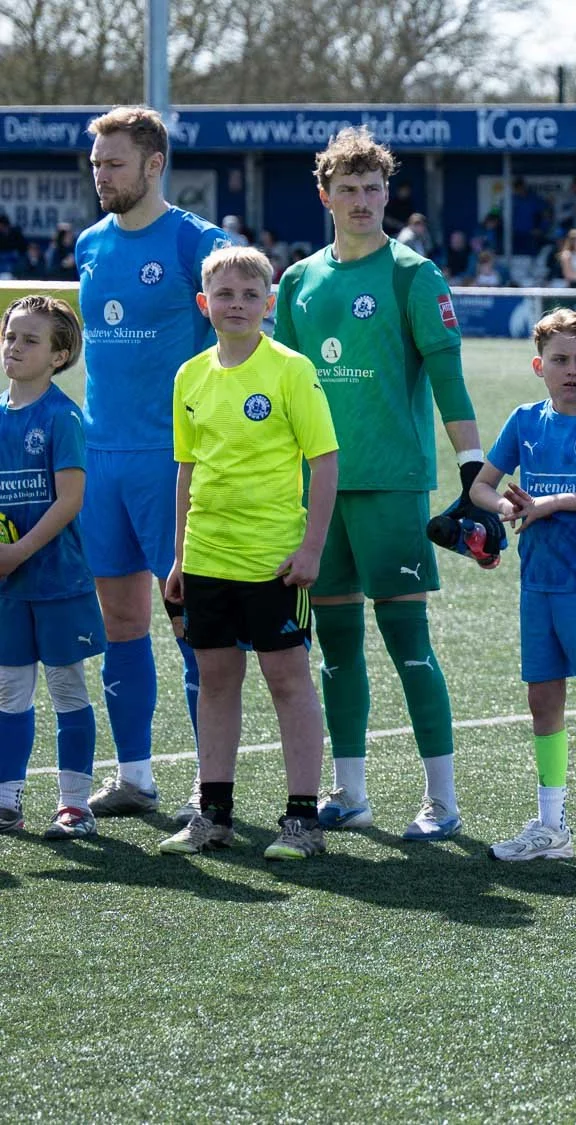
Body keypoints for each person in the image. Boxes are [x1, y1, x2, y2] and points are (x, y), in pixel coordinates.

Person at [273, 128, 488, 842]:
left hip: (391, 486)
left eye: (374, 189)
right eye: (349, 189)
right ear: (325, 195)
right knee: (335, 644)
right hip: (317, 493)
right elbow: (289, 390)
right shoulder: (298, 281)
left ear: (387, 194)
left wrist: (472, 468)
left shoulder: (412, 274)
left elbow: (449, 376)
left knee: (408, 641)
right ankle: (351, 791)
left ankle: (443, 799)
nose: (362, 201)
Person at [73, 107, 234, 823]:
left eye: (113, 163)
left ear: (153, 164)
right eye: (96, 162)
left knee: (190, 625)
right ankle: (134, 776)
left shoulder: (200, 243)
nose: (101, 174)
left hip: (173, 465)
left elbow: (244, 345)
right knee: (120, 623)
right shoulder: (88, 244)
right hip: (100, 460)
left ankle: (211, 786)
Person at [158, 246, 339, 861]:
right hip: (208, 555)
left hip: (275, 558)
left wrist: (311, 547)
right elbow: (186, 471)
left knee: (287, 680)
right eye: (224, 295)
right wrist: (181, 556)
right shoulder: (190, 375)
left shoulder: (291, 369)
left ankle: (301, 821)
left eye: (249, 295)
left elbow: (324, 461)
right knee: (214, 680)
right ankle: (213, 815)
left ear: (269, 303)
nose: (237, 304)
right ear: (204, 304)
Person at [470, 310, 576, 866]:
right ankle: (551, 825)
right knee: (542, 701)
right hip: (537, 586)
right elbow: (480, 486)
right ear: (538, 366)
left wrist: (556, 503)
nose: (570, 370)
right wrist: (505, 509)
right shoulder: (525, 421)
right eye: (559, 361)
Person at [0, 297, 103, 840]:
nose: (14, 347)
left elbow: (69, 501)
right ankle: (6, 799)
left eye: (30, 340)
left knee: (66, 688)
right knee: (9, 690)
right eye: (10, 336)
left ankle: (73, 804)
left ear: (60, 355)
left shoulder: (63, 416)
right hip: (9, 587)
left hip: (58, 579)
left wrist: (17, 551)